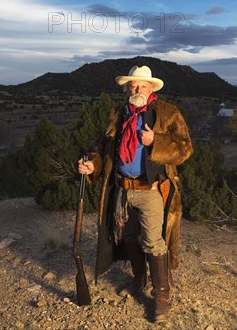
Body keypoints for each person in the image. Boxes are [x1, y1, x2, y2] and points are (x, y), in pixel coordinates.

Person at [77, 65, 193, 322]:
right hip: (122, 190)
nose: (137, 89)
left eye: (142, 85)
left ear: (151, 88)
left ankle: (161, 297)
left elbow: (185, 149)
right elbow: (103, 147)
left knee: (153, 241)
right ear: (127, 89)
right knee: (129, 236)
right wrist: (93, 165)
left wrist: (156, 142)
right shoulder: (119, 115)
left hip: (150, 190)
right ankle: (139, 277)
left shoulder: (167, 114)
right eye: (132, 85)